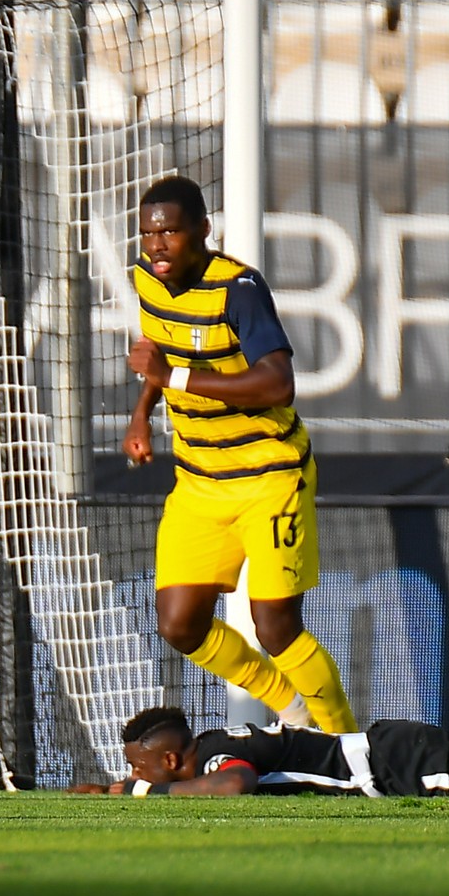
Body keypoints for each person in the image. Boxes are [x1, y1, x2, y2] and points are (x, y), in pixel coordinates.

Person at [125, 175, 355, 735]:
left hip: (269, 477)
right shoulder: (146, 280)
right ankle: (290, 709)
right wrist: (142, 413)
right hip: (200, 480)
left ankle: (348, 745)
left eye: (172, 232)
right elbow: (160, 348)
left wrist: (173, 376)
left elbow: (278, 384)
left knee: (275, 626)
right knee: (179, 623)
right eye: (149, 233)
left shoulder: (240, 289)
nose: (158, 245)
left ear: (203, 230)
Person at [70, 704, 449, 799]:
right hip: (391, 751)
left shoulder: (212, 760)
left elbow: (234, 784)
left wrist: (146, 794)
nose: (133, 773)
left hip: (395, 764)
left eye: (140, 766)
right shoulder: (209, 749)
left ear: (172, 762)